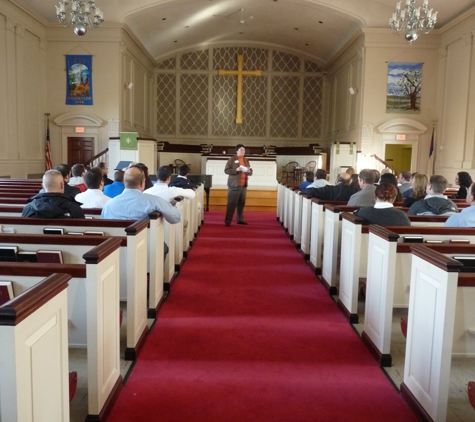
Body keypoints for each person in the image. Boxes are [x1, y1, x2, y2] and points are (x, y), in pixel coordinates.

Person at [101, 167, 181, 223]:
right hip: (145, 245)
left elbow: (104, 224)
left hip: (116, 245)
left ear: (124, 182)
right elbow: (176, 218)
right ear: (142, 183)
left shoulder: (108, 204)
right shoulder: (154, 201)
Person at [224, 144, 253, 226]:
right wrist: (236, 169)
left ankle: (240, 219)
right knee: (232, 203)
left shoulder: (246, 160)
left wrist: (249, 171)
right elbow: (226, 170)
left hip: (244, 184)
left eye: (244, 150)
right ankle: (228, 221)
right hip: (234, 184)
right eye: (241, 150)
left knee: (241, 203)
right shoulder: (232, 159)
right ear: (236, 151)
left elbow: (250, 170)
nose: (243, 151)